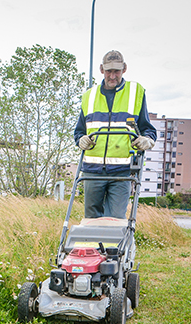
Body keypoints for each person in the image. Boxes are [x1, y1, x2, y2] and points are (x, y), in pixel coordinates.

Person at [74, 50, 157, 219]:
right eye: (108, 71)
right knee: (91, 220)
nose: (112, 76)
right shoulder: (89, 96)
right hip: (92, 171)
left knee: (116, 219)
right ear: (101, 69)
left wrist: (147, 140)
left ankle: (113, 246)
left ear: (124, 69)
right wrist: (80, 140)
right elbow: (79, 131)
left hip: (121, 173)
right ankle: (93, 246)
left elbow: (148, 128)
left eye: (116, 71)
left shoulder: (135, 93)